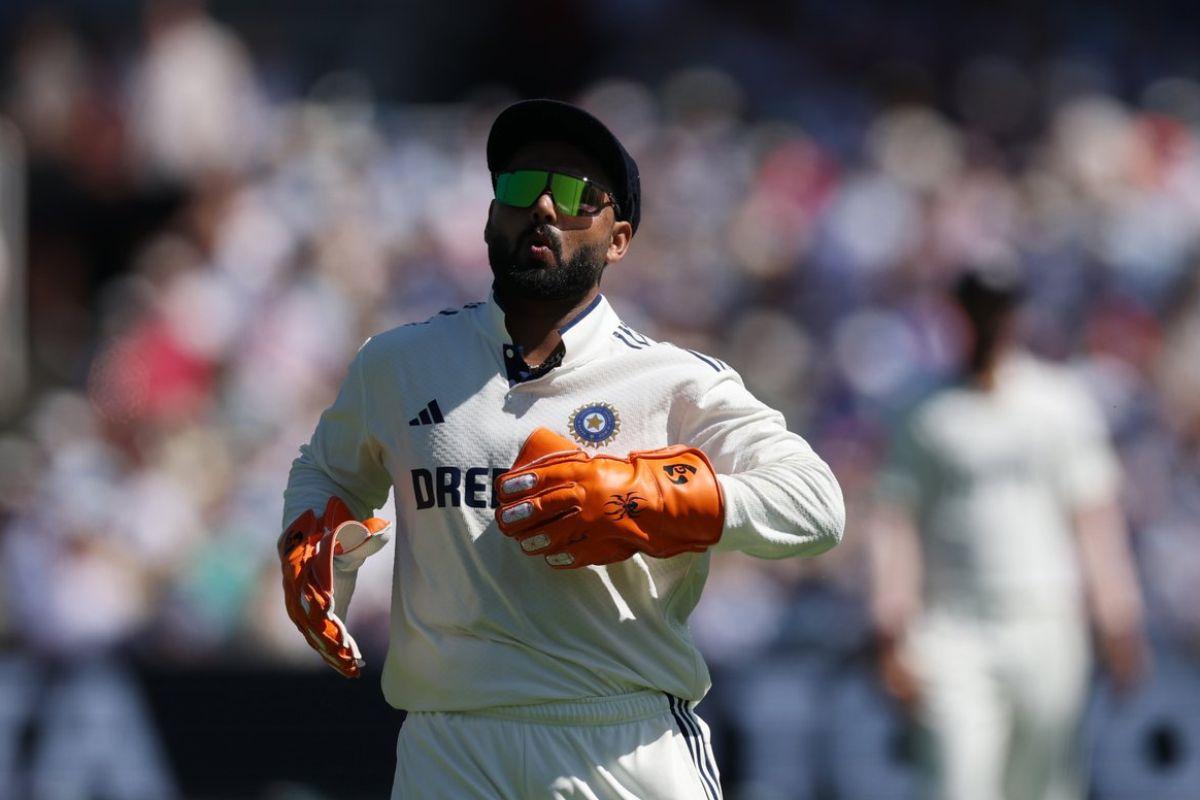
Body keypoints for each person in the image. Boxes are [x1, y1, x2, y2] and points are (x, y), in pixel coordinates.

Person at [276, 99, 845, 800]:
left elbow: (817, 506)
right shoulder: (397, 365)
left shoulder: (673, 382)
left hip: (619, 740)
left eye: (578, 196)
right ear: (490, 218)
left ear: (619, 240)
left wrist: (654, 497)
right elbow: (327, 472)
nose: (544, 205)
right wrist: (316, 541)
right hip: (449, 745)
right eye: (520, 187)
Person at [868, 266, 1148, 800]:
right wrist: (891, 619)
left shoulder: (1061, 402)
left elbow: (1093, 514)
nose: (987, 320)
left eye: (998, 307)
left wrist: (1118, 611)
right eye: (977, 306)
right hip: (952, 626)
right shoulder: (922, 410)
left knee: (1041, 787)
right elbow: (895, 519)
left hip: (1045, 620)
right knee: (957, 780)